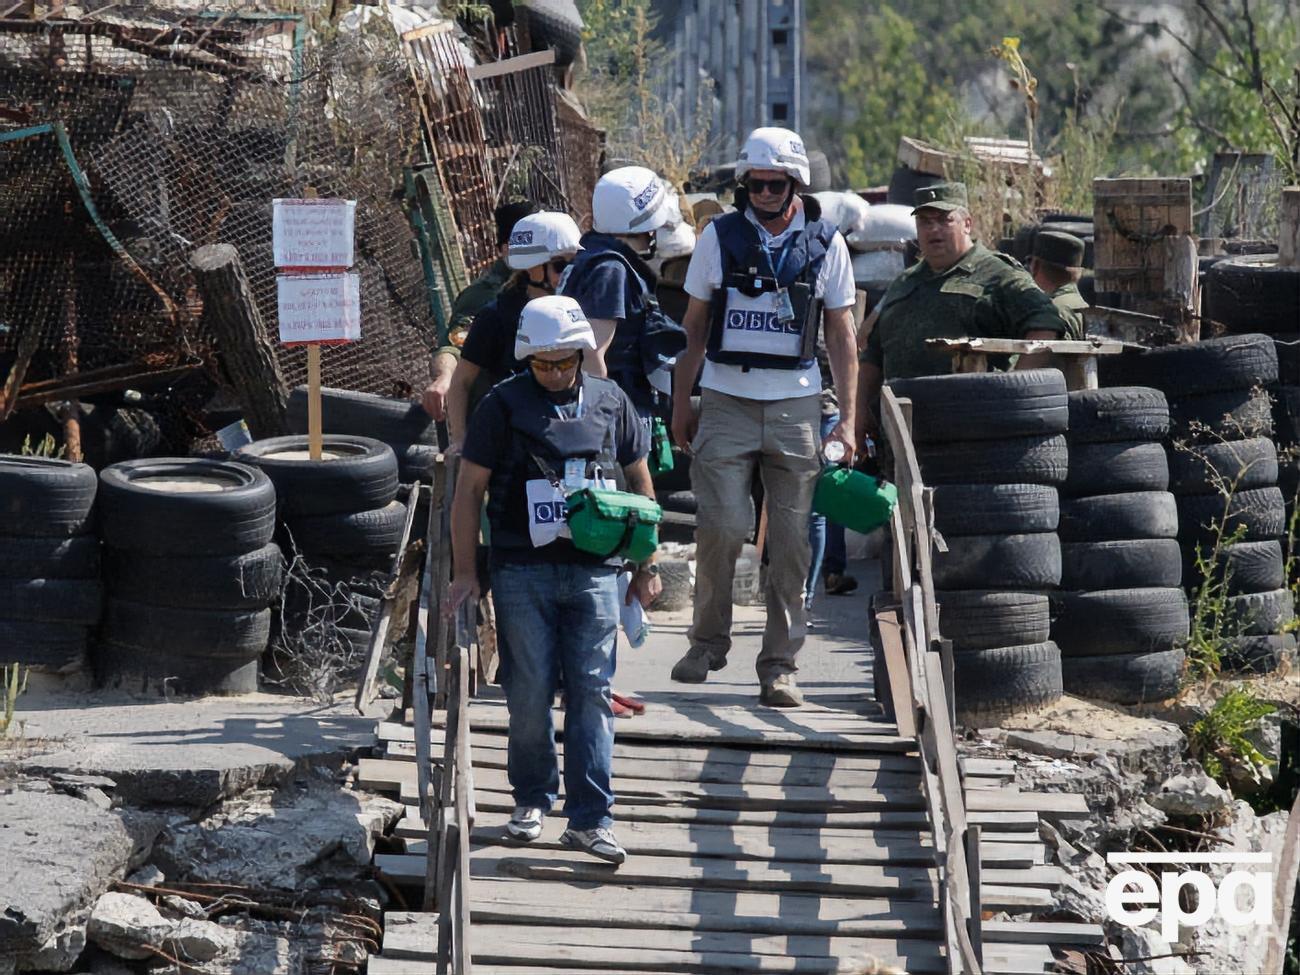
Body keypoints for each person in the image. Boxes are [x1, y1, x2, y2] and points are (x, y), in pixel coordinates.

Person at [447, 294, 661, 864]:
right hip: (521, 571)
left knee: (591, 689)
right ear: (526, 359)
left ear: (581, 353)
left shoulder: (613, 402)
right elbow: (469, 492)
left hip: (596, 572)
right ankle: (531, 799)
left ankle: (591, 819)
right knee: (530, 690)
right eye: (541, 363)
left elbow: (642, 488)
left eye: (563, 361)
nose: (554, 372)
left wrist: (647, 566)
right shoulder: (501, 405)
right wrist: (467, 574)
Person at [668, 126, 859, 708]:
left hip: (797, 408)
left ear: (795, 182)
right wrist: (683, 401)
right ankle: (706, 642)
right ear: (743, 182)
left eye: (776, 183)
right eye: (756, 183)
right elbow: (695, 326)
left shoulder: (828, 244)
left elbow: (843, 336)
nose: (766, 192)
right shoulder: (718, 237)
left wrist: (848, 420)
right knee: (722, 526)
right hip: (726, 398)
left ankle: (779, 665)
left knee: (794, 543)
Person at [854, 182, 1069, 447]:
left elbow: (1046, 324)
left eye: (945, 220)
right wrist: (859, 414)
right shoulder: (904, 282)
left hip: (970, 432)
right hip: (903, 430)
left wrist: (1013, 391)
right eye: (924, 221)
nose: (933, 229)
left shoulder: (997, 274)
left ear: (967, 223)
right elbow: (873, 355)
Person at [444, 211, 584, 448]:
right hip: (513, 443)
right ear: (533, 268)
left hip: (569, 435)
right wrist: (460, 440)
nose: (570, 273)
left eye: (575, 263)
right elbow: (461, 382)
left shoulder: (580, 309)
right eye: (560, 265)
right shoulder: (496, 317)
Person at [561, 166, 678, 416]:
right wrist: (598, 422)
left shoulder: (591, 255)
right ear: (648, 226)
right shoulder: (610, 270)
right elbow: (593, 353)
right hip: (621, 407)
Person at [421, 199, 540, 420]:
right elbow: (454, 348)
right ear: (506, 249)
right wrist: (445, 378)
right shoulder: (484, 296)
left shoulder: (562, 280)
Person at [1029, 230, 1089, 339]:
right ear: (1078, 272)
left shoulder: (1048, 314)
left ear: (1035, 266)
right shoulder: (1084, 307)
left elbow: (1036, 355)